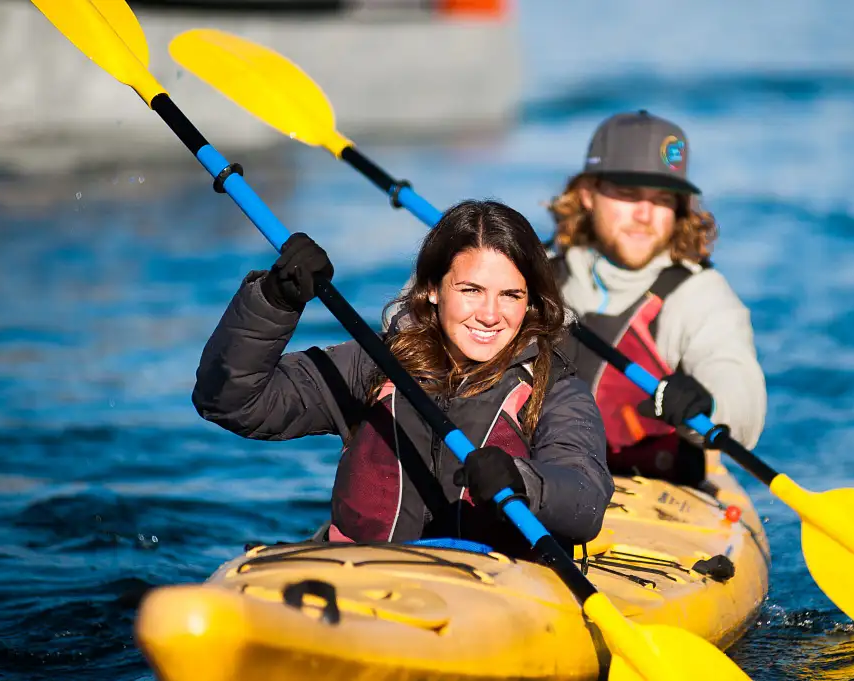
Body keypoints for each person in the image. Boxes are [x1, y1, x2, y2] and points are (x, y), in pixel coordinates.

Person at [191, 199, 614, 555]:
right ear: (432, 289)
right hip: (360, 578)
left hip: (491, 597)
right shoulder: (375, 365)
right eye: (470, 290)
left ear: (531, 302)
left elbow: (585, 499)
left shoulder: (555, 390)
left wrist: (523, 481)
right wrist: (275, 300)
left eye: (510, 295)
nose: (490, 314)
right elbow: (231, 400)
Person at [546, 110, 767, 484]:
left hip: (656, 492)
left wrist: (709, 404)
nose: (645, 214)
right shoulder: (531, 277)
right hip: (540, 481)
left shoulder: (699, 295)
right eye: (629, 195)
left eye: (662, 199)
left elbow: (741, 395)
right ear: (587, 194)